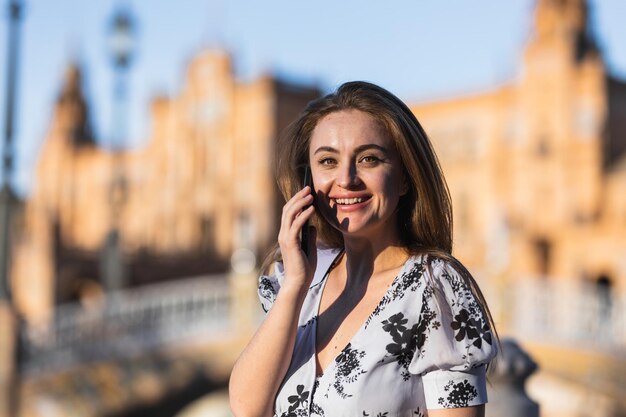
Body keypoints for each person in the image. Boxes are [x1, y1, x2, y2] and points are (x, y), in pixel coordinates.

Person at [229, 81, 498, 417]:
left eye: (369, 159)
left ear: (404, 178)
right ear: (308, 182)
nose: (346, 178)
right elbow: (247, 408)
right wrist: (295, 285)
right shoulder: (302, 285)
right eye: (327, 161)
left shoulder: (435, 287)